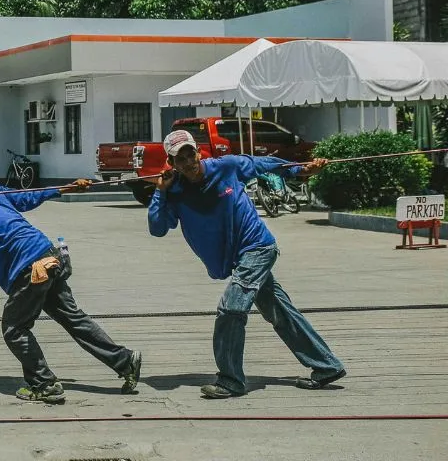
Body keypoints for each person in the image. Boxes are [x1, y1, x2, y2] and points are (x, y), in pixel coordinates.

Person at [148, 129, 346, 399]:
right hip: (235, 259)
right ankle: (327, 366)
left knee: (231, 309)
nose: (187, 163)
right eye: (179, 159)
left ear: (198, 152)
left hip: (257, 247)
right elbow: (158, 229)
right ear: (171, 164)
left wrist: (301, 169)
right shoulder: (175, 191)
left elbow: (263, 165)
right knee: (281, 312)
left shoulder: (226, 166)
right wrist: (160, 192)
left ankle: (230, 381)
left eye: (189, 154)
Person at [0, 181, 142, 404]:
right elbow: (27, 196)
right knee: (72, 317)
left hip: (28, 268)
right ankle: (124, 361)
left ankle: (44, 385)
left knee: (14, 329)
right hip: (48, 254)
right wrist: (65, 187)